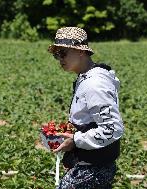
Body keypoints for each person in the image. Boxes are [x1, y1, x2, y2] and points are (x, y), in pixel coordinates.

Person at [48, 27, 125, 189]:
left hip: (93, 168)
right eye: (56, 55)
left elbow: (112, 128)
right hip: (92, 164)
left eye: (63, 53)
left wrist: (76, 140)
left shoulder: (94, 84)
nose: (59, 59)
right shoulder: (86, 78)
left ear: (80, 51)